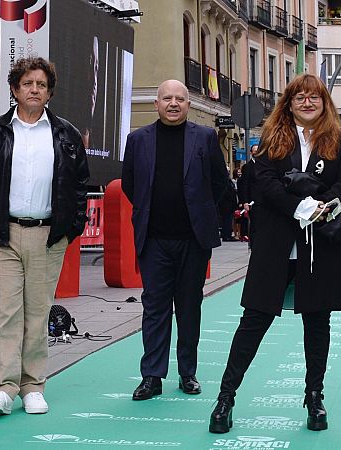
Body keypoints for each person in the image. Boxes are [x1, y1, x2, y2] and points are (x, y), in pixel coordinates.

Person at [209, 74, 341, 433]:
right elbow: (267, 186)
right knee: (254, 321)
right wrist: (300, 207)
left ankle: (315, 397)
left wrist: (318, 206)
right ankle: (225, 398)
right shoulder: (272, 139)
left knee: (318, 323)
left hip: (321, 244)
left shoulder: (339, 139)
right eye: (299, 97)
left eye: (314, 98)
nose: (307, 103)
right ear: (288, 104)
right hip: (276, 244)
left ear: (324, 103)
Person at [0, 57, 90, 415]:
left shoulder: (65, 134)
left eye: (41, 85)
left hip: (47, 236)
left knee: (37, 312)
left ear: (49, 92)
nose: (35, 89)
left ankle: (32, 385)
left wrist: (70, 229)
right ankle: (2, 386)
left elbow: (81, 186)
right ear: (15, 89)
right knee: (3, 313)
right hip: (1, 235)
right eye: (28, 83)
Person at [122, 79, 230, 401]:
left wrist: (199, 212)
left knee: (188, 308)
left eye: (180, 99)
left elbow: (219, 183)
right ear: (156, 104)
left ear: (189, 105)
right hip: (153, 240)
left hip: (192, 241)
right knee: (154, 308)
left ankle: (188, 373)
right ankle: (151, 376)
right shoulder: (138, 140)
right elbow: (130, 184)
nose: (173, 104)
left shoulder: (206, 138)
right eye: (166, 98)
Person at [236, 145, 259, 242]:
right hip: (252, 200)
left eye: (258, 151)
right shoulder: (247, 167)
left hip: (263, 199)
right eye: (254, 151)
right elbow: (244, 185)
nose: (256, 153)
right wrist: (245, 201)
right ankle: (254, 244)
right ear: (251, 153)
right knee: (254, 224)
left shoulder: (263, 165)